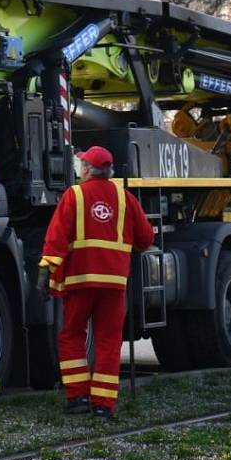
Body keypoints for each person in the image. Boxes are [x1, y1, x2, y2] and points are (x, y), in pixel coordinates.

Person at [38, 146, 154, 419]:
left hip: (80, 281)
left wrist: (46, 271)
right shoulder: (125, 199)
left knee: (72, 336)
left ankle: (77, 397)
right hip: (114, 285)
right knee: (108, 341)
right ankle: (103, 405)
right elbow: (146, 239)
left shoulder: (74, 195)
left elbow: (56, 238)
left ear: (88, 169)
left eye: (82, 164)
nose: (80, 169)